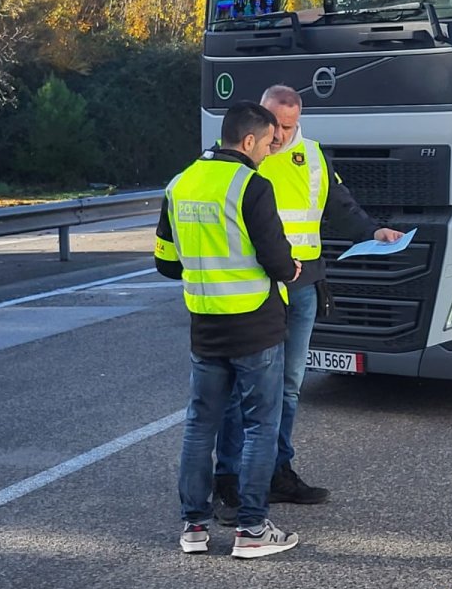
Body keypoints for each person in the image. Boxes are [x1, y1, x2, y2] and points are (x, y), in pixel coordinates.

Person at [212, 85, 403, 525]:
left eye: (289, 126)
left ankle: (277, 472)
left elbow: (340, 206)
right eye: (275, 125)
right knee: (243, 388)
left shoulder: (313, 155)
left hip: (301, 286)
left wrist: (373, 232)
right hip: (254, 287)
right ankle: (230, 479)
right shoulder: (239, 157)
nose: (279, 135)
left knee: (289, 384)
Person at [155, 100, 300, 559]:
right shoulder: (251, 185)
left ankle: (193, 527)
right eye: (266, 142)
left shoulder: (179, 184)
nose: (268, 150)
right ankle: (252, 530)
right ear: (249, 139)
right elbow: (276, 261)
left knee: (200, 425)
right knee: (260, 426)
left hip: (205, 325)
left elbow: (164, 262)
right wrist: (293, 268)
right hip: (255, 325)